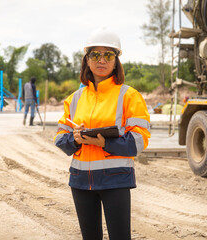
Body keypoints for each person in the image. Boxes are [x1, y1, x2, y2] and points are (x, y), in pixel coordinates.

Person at [54, 28, 151, 240]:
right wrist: (76, 138)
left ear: (116, 61)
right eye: (95, 55)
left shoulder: (129, 96)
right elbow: (60, 139)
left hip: (115, 181)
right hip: (80, 182)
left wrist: (103, 143)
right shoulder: (75, 98)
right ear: (86, 60)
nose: (101, 60)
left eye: (108, 55)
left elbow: (139, 141)